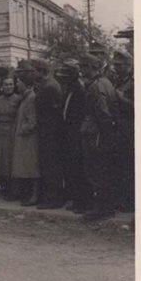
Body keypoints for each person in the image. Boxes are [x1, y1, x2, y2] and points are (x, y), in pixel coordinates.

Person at [79, 53, 122, 221]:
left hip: (96, 135)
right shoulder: (106, 82)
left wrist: (103, 136)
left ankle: (101, 209)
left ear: (91, 68)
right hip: (101, 133)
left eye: (84, 67)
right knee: (103, 171)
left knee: (96, 171)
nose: (81, 71)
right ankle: (106, 207)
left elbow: (103, 113)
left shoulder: (95, 87)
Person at [55, 60, 89, 214]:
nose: (62, 79)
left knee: (77, 169)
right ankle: (76, 199)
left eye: (65, 76)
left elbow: (79, 115)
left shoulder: (79, 90)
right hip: (69, 134)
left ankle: (81, 202)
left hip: (75, 135)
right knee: (71, 168)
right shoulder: (70, 89)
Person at [31, 58, 64, 209]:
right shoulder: (47, 85)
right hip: (48, 131)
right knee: (48, 165)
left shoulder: (50, 86)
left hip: (50, 132)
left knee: (51, 166)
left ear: (42, 71)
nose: (33, 73)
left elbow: (52, 112)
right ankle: (51, 198)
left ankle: (53, 199)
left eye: (35, 71)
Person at [12, 61, 40, 206]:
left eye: (18, 83)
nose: (17, 85)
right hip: (24, 139)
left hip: (28, 140)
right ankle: (29, 195)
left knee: (32, 169)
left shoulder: (30, 98)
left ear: (24, 83)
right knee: (26, 168)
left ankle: (34, 196)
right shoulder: (26, 98)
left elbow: (32, 122)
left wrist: (21, 131)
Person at [112, 49, 134, 212]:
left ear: (129, 65)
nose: (116, 68)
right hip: (118, 128)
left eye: (119, 65)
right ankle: (121, 199)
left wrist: (120, 97)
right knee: (118, 166)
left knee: (128, 167)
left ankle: (129, 202)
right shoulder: (117, 81)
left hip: (129, 129)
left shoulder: (134, 82)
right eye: (115, 65)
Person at [0, 76, 21, 200]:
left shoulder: (18, 99)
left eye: (11, 84)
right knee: (1, 160)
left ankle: (14, 190)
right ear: (2, 86)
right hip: (1, 131)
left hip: (13, 131)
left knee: (11, 160)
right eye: (6, 84)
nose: (8, 87)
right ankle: (3, 187)